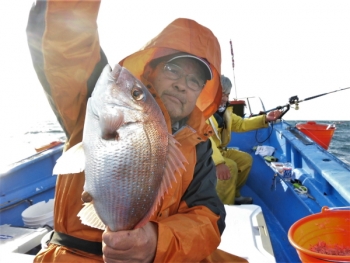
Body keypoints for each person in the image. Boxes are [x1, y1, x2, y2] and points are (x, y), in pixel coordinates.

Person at [26, 1, 248, 262]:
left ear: (200, 92)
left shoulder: (198, 146)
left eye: (194, 81)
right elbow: (66, 43)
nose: (181, 86)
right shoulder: (95, 101)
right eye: (173, 69)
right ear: (150, 71)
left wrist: (156, 241)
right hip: (80, 253)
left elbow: (209, 217)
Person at [209, 75, 282, 205]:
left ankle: (234, 194)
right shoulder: (201, 112)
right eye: (221, 93)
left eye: (227, 94)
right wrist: (219, 163)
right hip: (203, 155)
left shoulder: (225, 112)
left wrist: (265, 118)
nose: (225, 98)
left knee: (245, 160)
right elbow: (203, 140)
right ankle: (223, 207)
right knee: (229, 166)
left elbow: (241, 124)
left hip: (219, 151)